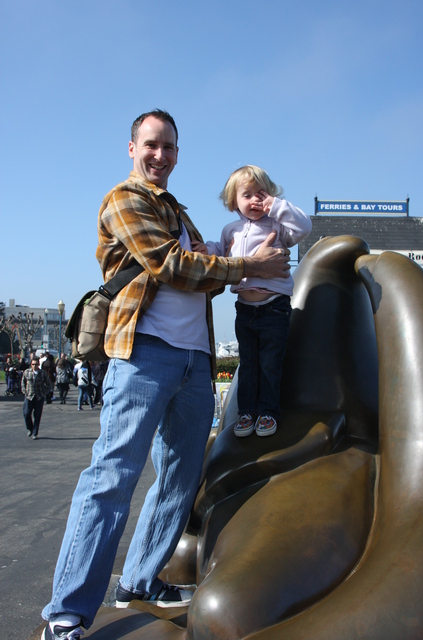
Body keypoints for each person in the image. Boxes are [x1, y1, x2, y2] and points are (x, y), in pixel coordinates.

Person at [41, 109, 290, 640]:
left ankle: (139, 581)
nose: (161, 155)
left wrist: (220, 266)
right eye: (151, 144)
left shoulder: (181, 213)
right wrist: (249, 266)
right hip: (144, 355)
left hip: (196, 359)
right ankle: (66, 612)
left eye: (170, 147)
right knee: (112, 478)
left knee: (178, 479)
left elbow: (207, 275)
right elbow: (172, 265)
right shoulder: (123, 199)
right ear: (132, 148)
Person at [193, 165, 311, 438]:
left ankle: (268, 412)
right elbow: (222, 252)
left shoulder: (277, 226)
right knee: (248, 363)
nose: (256, 200)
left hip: (274, 307)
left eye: (262, 193)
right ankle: (246, 412)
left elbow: (304, 226)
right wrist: (207, 249)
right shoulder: (231, 230)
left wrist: (277, 206)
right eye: (247, 195)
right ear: (233, 201)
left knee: (270, 363)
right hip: (245, 309)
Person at [22, 357, 50, 439]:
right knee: (26, 413)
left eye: (36, 364)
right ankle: (30, 428)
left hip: (39, 396)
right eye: (33, 364)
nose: (34, 366)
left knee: (37, 416)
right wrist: (24, 391)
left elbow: (48, 383)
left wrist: (44, 392)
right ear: (31, 364)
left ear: (38, 365)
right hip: (29, 396)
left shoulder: (42, 373)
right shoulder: (27, 372)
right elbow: (23, 382)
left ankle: (35, 433)